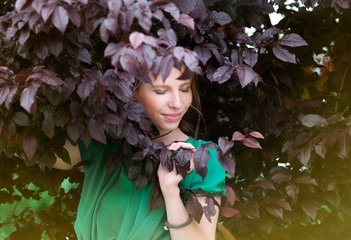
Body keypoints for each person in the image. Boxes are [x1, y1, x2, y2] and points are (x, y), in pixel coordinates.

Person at [54, 66, 226, 240]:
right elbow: (35, 154)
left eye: (184, 89)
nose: (177, 103)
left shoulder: (202, 158)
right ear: (131, 91)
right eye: (160, 91)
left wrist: (171, 191)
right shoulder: (103, 145)